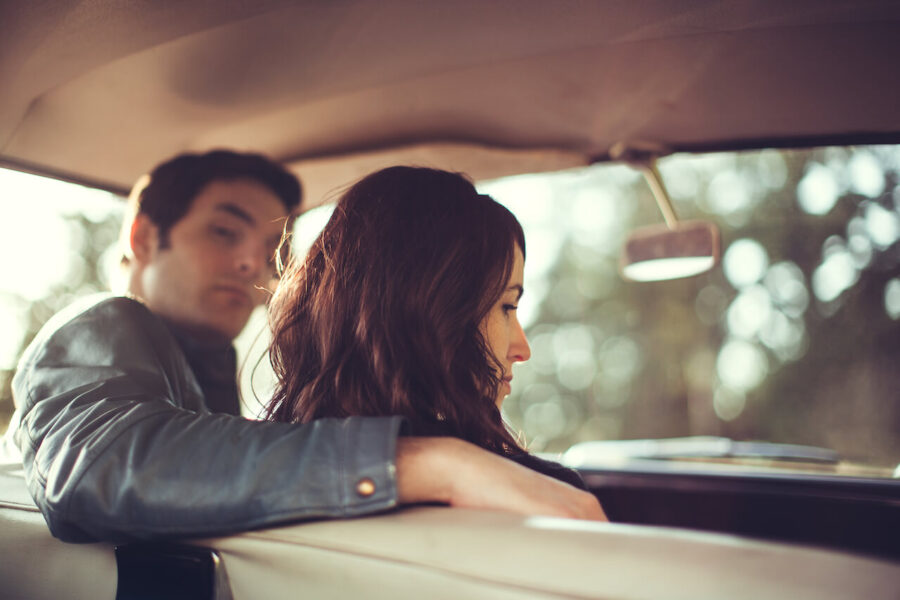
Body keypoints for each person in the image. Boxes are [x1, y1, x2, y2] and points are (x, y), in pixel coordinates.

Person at [2, 150, 605, 544]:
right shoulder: (99, 326)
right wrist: (435, 462)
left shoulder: (212, 404)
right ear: (141, 235)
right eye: (223, 230)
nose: (250, 263)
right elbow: (101, 464)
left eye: (268, 249)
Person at [265, 166, 588, 490]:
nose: (523, 349)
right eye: (507, 307)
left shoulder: (273, 474)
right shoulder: (540, 492)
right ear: (428, 311)